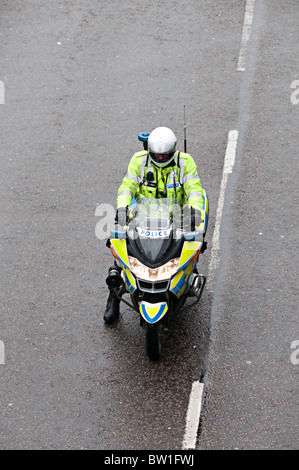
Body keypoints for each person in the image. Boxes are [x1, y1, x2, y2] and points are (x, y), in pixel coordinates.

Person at [104, 126, 207, 324]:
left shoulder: (185, 162)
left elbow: (194, 188)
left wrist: (193, 211)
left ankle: (186, 277)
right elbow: (128, 186)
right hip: (143, 217)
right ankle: (113, 297)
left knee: (190, 248)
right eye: (156, 155)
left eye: (164, 155)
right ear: (150, 151)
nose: (160, 158)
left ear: (173, 151)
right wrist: (123, 208)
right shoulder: (139, 160)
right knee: (119, 247)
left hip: (175, 218)